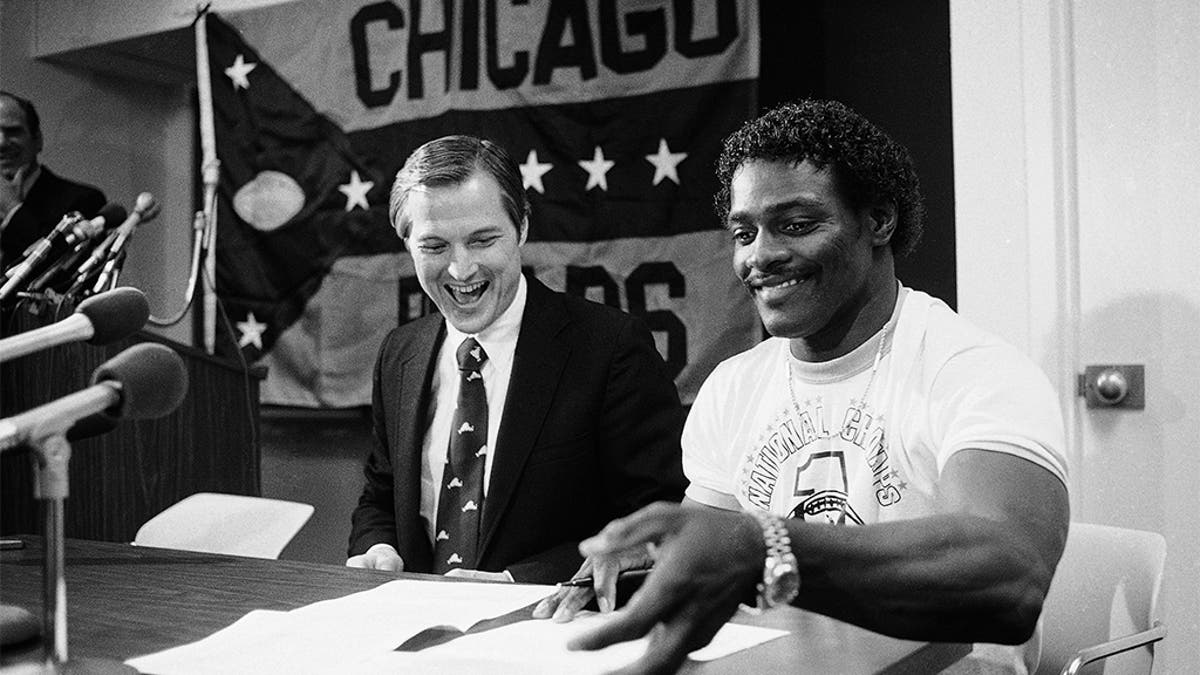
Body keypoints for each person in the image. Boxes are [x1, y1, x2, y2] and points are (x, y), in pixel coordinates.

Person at [536, 100, 1069, 674]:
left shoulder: (974, 370)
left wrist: (761, 545)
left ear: (879, 220)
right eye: (745, 232)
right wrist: (641, 573)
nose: (760, 255)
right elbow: (713, 546)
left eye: (796, 225)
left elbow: (1011, 582)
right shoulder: (735, 386)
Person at [346, 134, 687, 584]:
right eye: (434, 247)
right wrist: (377, 546)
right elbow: (381, 495)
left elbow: (656, 521)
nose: (461, 269)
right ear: (406, 241)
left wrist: (516, 581)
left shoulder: (611, 347)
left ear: (522, 227)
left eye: (482, 240)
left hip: (552, 628)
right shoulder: (399, 353)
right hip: (418, 628)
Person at [0, 91, 106, 266]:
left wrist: (12, 208)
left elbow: (56, 272)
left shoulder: (84, 201)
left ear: (37, 140)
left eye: (13, 132)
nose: (1, 142)